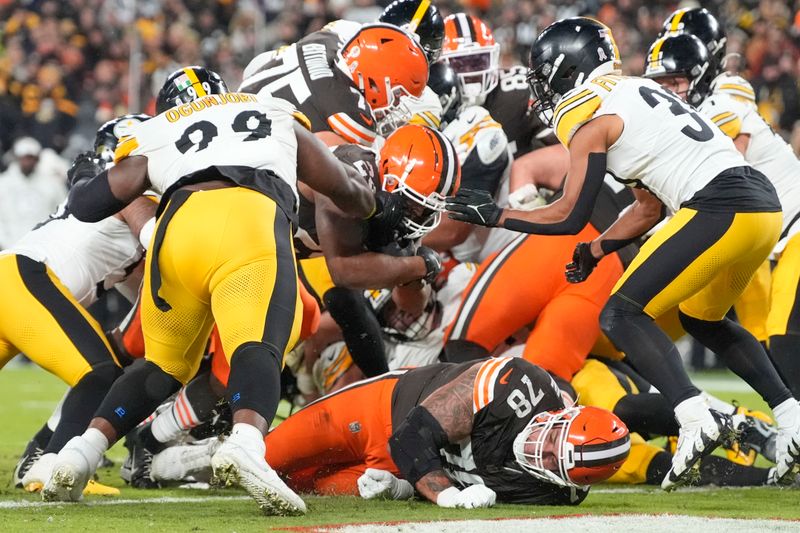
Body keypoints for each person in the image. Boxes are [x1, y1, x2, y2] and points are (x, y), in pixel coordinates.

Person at [445, 17, 800, 490]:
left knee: (619, 314)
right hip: (762, 208)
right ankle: (793, 420)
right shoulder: (631, 90)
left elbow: (569, 213)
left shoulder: (582, 106)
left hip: (720, 204)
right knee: (702, 319)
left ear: (566, 69)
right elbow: (648, 208)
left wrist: (495, 215)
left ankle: (697, 419)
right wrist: (595, 250)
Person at [42, 66, 378, 516]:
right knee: (256, 347)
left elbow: (88, 204)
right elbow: (343, 187)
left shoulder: (159, 128)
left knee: (161, 367)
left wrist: (85, 176)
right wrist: (373, 204)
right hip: (248, 218)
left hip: (176, 231)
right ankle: (245, 441)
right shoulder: (270, 108)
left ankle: (81, 452)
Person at [152, 357, 630, 506]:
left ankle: (207, 470)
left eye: (551, 462)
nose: (539, 451)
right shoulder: (513, 385)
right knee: (270, 459)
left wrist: (406, 489)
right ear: (564, 413)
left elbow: (466, 484)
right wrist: (444, 496)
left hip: (403, 475)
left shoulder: (553, 495)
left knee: (294, 488)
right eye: (550, 439)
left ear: (568, 480)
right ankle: (202, 456)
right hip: (383, 410)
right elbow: (410, 437)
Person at [651, 8, 800, 400]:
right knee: (746, 334)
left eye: (676, 76)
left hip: (783, 230)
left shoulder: (723, 97)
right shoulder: (695, 106)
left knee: (781, 341)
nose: (667, 87)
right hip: (762, 240)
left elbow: (724, 172)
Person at [3, 114, 155, 494]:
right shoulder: (131, 193)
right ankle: (55, 466)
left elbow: (143, 296)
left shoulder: (101, 197)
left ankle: (39, 459)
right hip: (28, 280)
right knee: (100, 374)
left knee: (106, 365)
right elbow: (154, 238)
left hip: (17, 281)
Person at [239, 23, 428, 145]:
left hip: (239, 103)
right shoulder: (350, 113)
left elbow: (255, 66)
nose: (396, 104)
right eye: (397, 95)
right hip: (254, 154)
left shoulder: (327, 40)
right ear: (377, 80)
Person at [0, 137, 67, 249]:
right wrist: (4, 242)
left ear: (38, 159)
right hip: (9, 245)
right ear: (17, 158)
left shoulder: (52, 184)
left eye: (31, 158)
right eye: (24, 158)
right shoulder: (3, 183)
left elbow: (63, 212)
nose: (28, 162)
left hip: (43, 247)